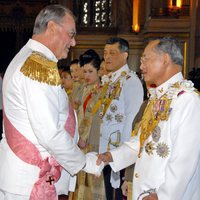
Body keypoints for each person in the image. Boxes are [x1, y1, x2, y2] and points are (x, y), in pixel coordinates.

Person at [0, 4, 103, 200]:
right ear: (53, 28)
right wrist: (83, 163)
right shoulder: (37, 66)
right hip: (31, 180)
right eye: (71, 34)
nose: (73, 42)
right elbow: (49, 131)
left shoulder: (31, 59)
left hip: (26, 177)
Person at [97, 37, 200, 200]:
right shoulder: (156, 98)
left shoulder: (187, 100)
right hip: (145, 192)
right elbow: (140, 141)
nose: (141, 66)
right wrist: (111, 156)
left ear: (165, 59)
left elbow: (184, 161)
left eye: (146, 59)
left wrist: (162, 196)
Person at [96, 37, 144, 200]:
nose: (107, 57)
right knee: (108, 193)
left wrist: (123, 153)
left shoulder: (130, 81)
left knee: (117, 194)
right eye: (105, 53)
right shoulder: (110, 80)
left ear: (125, 55)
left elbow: (132, 120)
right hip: (106, 147)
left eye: (112, 53)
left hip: (119, 150)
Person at [70, 49, 106, 200]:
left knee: (92, 178)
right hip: (80, 138)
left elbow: (91, 116)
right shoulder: (82, 88)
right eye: (84, 71)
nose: (86, 75)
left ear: (99, 71)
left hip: (93, 139)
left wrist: (83, 137)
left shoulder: (103, 90)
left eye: (90, 71)